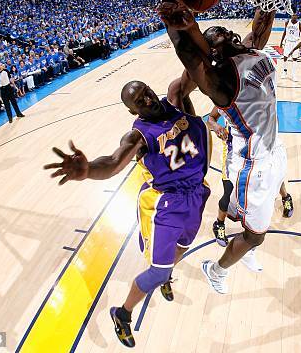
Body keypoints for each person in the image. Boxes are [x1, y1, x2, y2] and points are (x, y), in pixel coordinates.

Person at [43, 80, 211, 348]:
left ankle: (165, 274)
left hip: (197, 194)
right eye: (139, 101)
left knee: (183, 246)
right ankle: (122, 314)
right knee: (157, 272)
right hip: (166, 204)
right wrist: (89, 171)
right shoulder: (139, 136)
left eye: (146, 92)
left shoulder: (175, 100)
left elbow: (191, 69)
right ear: (133, 112)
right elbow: (112, 162)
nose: (147, 100)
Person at [158, 0, 287, 294]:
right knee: (255, 235)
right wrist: (180, 24)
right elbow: (190, 57)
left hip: (274, 149)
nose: (229, 33)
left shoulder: (252, 49)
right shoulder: (222, 83)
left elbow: (261, 23)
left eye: (226, 31)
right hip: (252, 161)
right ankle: (215, 270)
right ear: (214, 52)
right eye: (219, 37)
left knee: (258, 218)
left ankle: (246, 245)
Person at [206, 107, 294, 249]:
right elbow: (210, 119)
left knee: (274, 178)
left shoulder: (259, 99)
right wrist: (216, 127)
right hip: (233, 153)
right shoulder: (227, 99)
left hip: (260, 150)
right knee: (228, 192)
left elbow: (274, 120)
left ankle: (286, 197)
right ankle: (219, 223)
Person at [279, 14, 301, 82]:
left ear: (297, 16)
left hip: (295, 42)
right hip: (288, 42)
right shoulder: (287, 22)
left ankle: (294, 75)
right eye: (293, 15)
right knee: (285, 57)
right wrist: (281, 41)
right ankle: (284, 72)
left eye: (295, 15)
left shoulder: (299, 24)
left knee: (294, 59)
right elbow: (284, 32)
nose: (294, 16)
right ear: (291, 16)